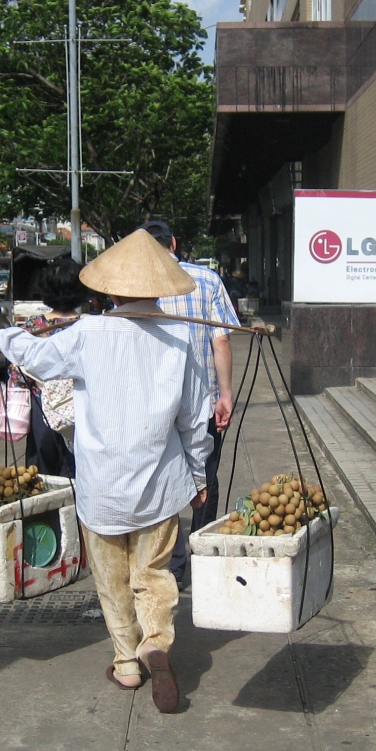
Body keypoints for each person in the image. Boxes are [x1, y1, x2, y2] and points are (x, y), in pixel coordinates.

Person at [0, 230, 212, 714]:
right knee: (153, 574)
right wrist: (198, 477)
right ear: (161, 287)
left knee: (111, 578)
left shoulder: (87, 334)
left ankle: (127, 664)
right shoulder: (180, 337)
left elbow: (34, 357)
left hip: (102, 484)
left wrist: (1, 334)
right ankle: (157, 643)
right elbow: (196, 418)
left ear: (109, 291)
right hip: (160, 480)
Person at [139, 221, 239, 584]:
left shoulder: (135, 285)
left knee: (157, 478)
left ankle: (166, 560)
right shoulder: (207, 279)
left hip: (153, 403)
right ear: (174, 243)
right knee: (205, 476)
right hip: (203, 401)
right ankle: (198, 559)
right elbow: (221, 341)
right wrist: (225, 394)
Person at [22, 258, 87, 478]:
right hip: (81, 407)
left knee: (44, 475)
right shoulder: (88, 326)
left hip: (42, 409)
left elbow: (17, 373)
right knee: (80, 471)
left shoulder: (31, 329)